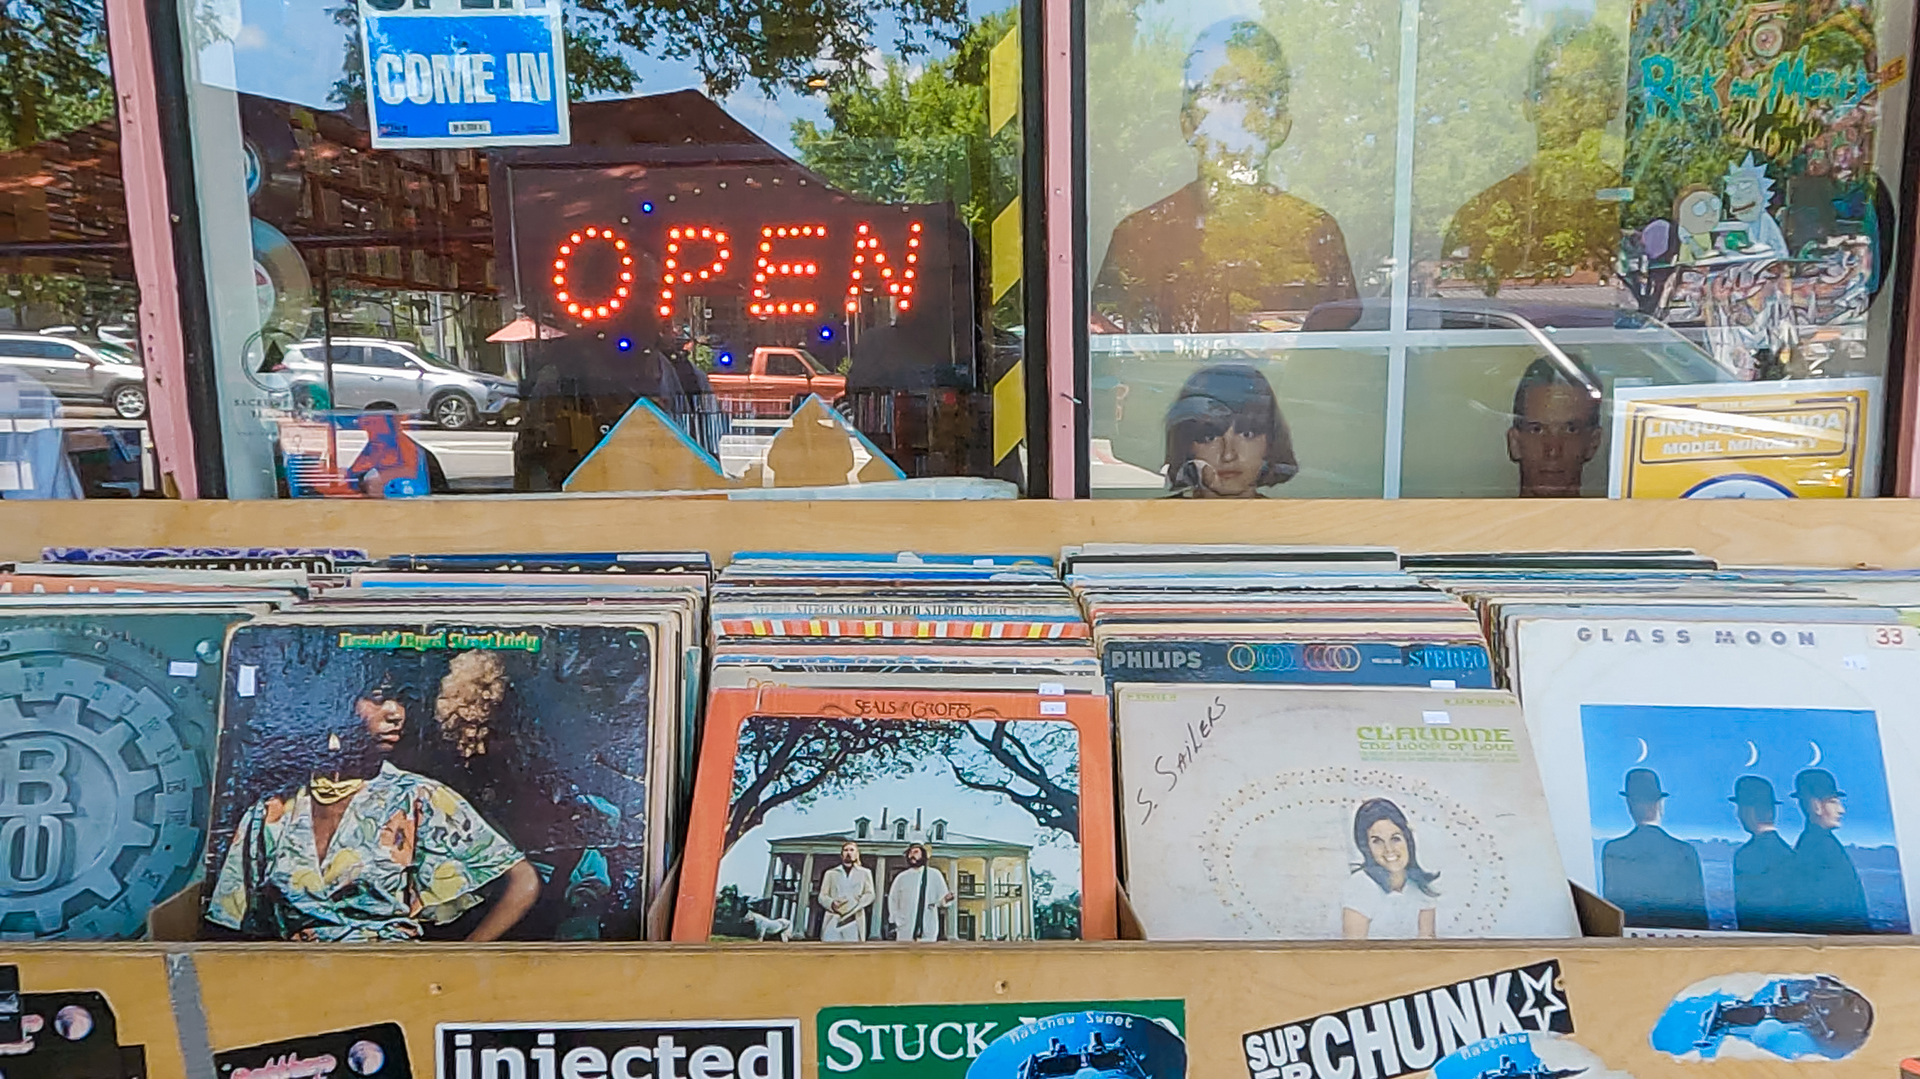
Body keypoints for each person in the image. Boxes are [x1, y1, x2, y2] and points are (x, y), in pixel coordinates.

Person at [206, 666, 541, 942]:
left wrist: (459, 965)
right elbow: (229, 923)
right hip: (289, 994)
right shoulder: (273, 812)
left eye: (401, 700)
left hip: (391, 989)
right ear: (334, 705)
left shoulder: (417, 797)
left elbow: (522, 881)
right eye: (378, 699)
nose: (395, 713)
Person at [1092, 19, 1355, 333]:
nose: (1235, 119)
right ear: (1188, 123)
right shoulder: (1139, 237)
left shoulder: (1314, 235)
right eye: (1217, 97)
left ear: (1281, 124)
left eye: (1256, 99)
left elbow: (1333, 357)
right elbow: (1113, 359)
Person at [1164, 364, 1298, 498]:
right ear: (1187, 447)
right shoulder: (1152, 516)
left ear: (1270, 443)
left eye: (1247, 434)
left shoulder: (1295, 518)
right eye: (1210, 438)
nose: (1228, 455)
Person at [1600, 767, 1707, 929]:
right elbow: (1698, 914)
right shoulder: (1684, 850)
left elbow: (1614, 912)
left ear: (1629, 804)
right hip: (1678, 940)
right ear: (1659, 804)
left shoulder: (1613, 849)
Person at [1341, 798, 1440, 939]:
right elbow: (1355, 954)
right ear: (1367, 847)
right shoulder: (1360, 886)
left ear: (1407, 839)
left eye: (1395, 839)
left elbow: (1427, 948)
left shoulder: (1420, 887)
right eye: (1377, 841)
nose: (1389, 849)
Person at [1508, 355, 1603, 498]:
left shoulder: (1624, 520)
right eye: (1537, 430)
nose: (1553, 450)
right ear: (1514, 442)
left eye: (1570, 430)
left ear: (1593, 443)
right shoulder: (1479, 520)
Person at [1791, 768, 1870, 933]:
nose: (1842, 810)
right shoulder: (1819, 847)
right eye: (1834, 802)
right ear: (1816, 806)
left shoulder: (1816, 843)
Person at [1730, 775, 1797, 932]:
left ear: (1748, 810)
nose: (1738, 815)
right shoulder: (1789, 853)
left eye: (1740, 808)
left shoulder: (1746, 855)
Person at [886, 842, 952, 943]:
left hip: (928, 925)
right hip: (905, 926)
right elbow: (893, 899)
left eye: (916, 852)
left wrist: (945, 900)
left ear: (923, 855)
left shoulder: (935, 875)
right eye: (910, 853)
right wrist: (896, 919)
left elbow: (941, 900)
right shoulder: (901, 877)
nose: (912, 855)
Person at [816, 841, 876, 942]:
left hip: (854, 919)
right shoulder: (831, 873)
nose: (848, 853)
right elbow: (822, 896)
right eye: (846, 850)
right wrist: (831, 904)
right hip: (834, 917)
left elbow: (870, 894)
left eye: (852, 850)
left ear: (857, 854)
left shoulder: (865, 873)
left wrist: (858, 903)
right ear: (841, 854)